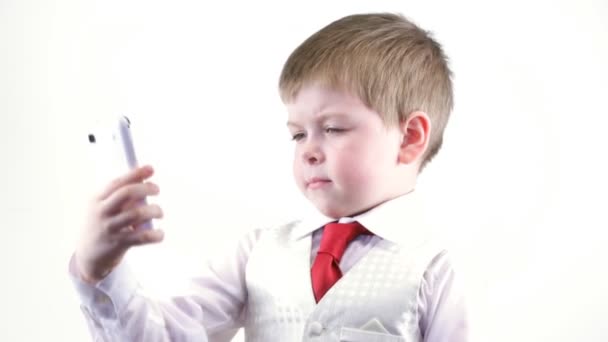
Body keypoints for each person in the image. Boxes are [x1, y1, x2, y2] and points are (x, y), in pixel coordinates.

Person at [69, 12, 469, 341]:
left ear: (410, 137)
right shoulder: (256, 253)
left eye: (333, 129)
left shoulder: (433, 269)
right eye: (298, 134)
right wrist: (98, 269)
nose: (309, 149)